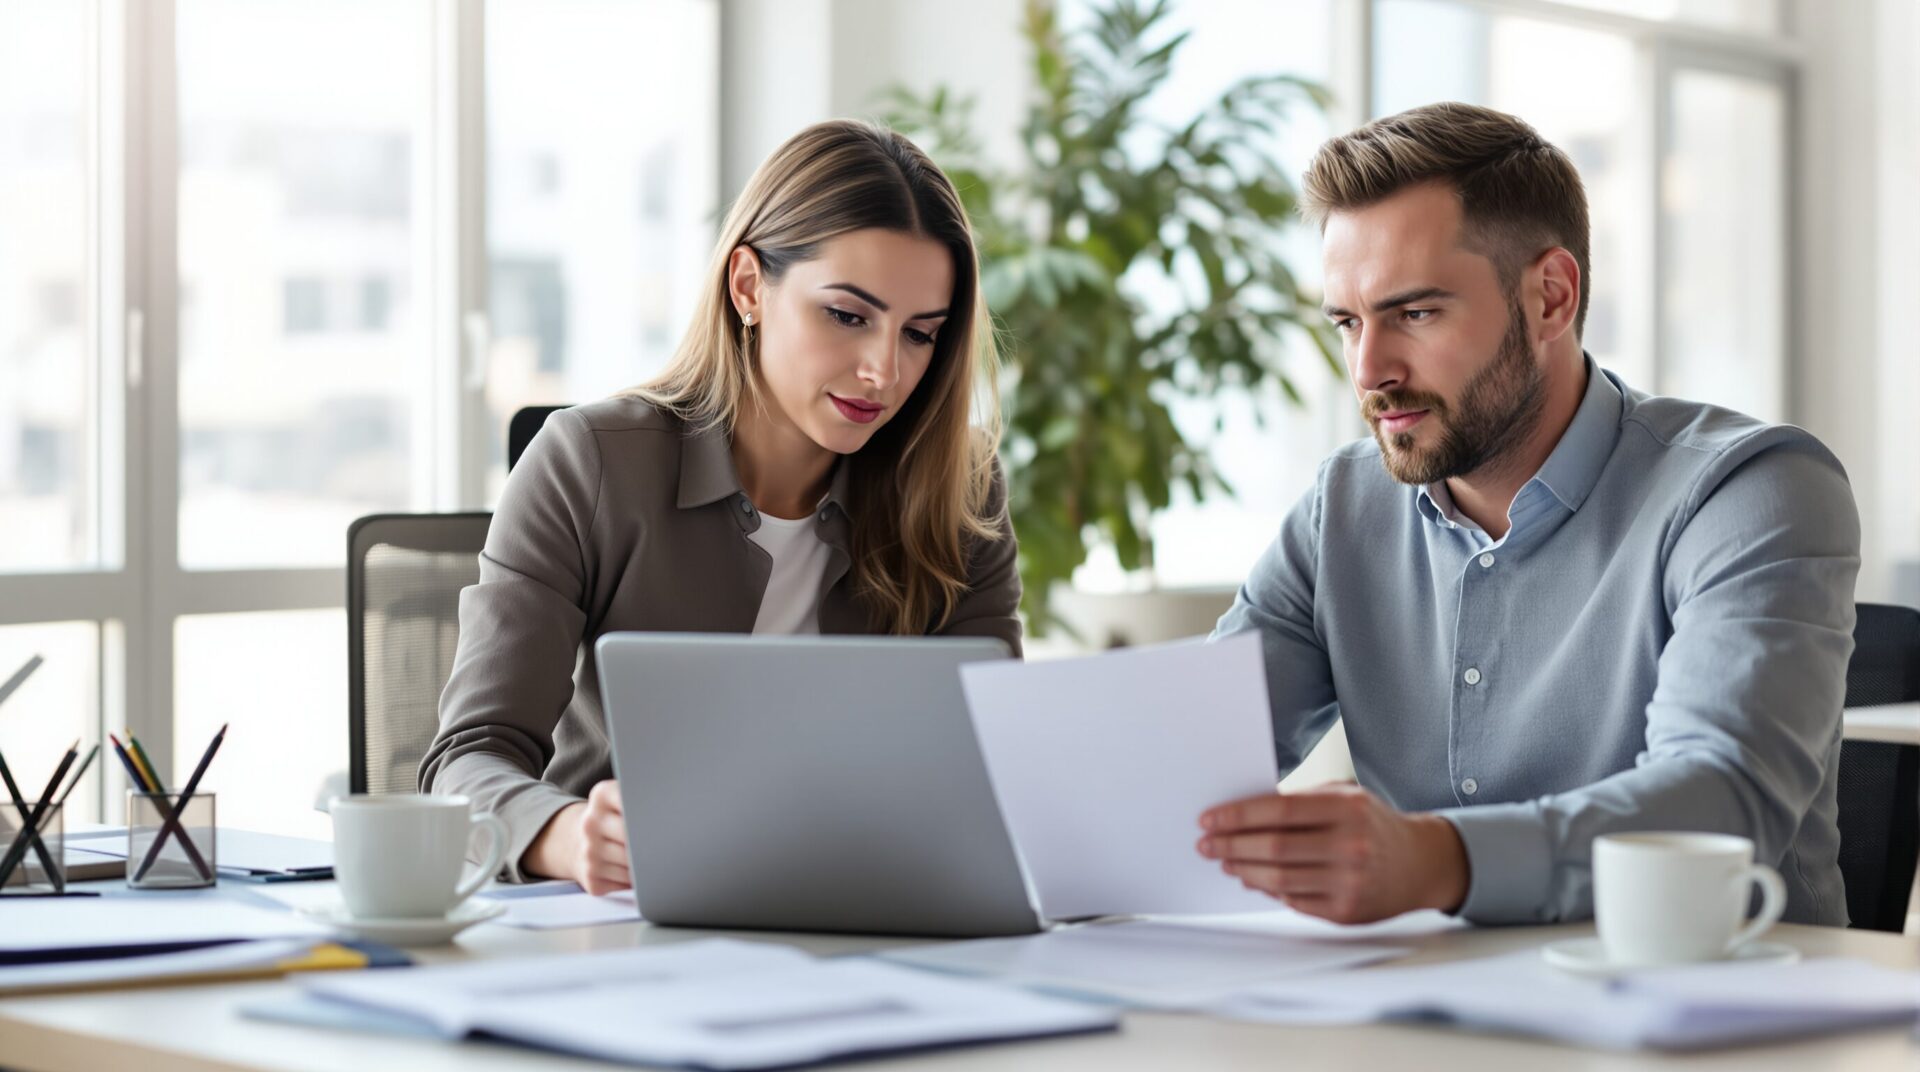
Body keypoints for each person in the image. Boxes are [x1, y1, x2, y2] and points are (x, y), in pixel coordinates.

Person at [1195, 102, 1858, 926]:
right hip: (1426, 1018)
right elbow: (1190, 752)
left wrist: (1438, 860)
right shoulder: (1343, 509)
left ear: (1550, 296)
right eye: (1347, 322)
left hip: (1723, 1024)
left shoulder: (1750, 490)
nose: (1369, 370)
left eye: (1416, 313)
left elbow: (1721, 802)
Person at [420, 120, 1021, 894]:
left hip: (868, 917)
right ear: (748, 287)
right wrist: (569, 836)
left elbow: (995, 759)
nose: (883, 370)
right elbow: (464, 760)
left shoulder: (958, 493)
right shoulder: (589, 461)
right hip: (620, 929)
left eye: (920, 334)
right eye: (847, 315)